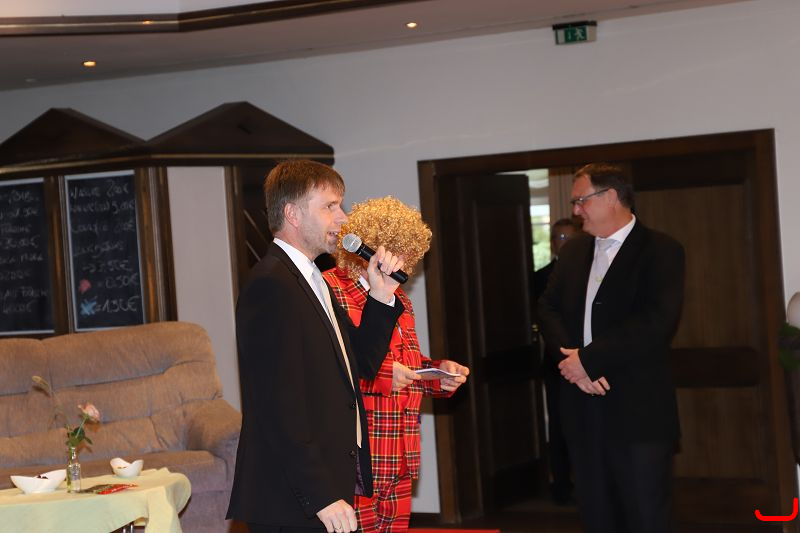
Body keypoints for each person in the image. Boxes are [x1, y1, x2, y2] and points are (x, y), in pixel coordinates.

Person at [227, 160, 406, 533]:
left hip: (319, 485)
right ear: (292, 214)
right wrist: (320, 494)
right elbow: (278, 404)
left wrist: (381, 295)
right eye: (330, 206)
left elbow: (360, 363)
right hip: (292, 497)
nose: (343, 218)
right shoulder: (271, 284)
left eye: (340, 205)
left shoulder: (312, 279)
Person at [538, 163, 685, 533]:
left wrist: (588, 360)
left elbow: (655, 321)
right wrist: (571, 362)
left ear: (612, 197)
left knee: (646, 517)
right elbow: (547, 308)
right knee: (597, 516)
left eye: (582, 201)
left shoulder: (661, 250)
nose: (576, 211)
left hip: (638, 414)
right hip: (582, 412)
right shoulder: (574, 252)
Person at [322, 196, 469, 533]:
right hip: (360, 458)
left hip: (401, 454)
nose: (406, 264)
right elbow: (329, 372)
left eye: (409, 255)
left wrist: (439, 375)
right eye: (398, 253)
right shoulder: (330, 291)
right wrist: (388, 375)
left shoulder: (398, 298)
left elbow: (407, 364)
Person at [533, 217, 581, 505]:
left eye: (569, 238)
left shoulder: (590, 271)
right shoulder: (541, 276)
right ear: (552, 244)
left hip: (590, 361)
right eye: (559, 239)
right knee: (560, 423)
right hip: (555, 362)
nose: (564, 244)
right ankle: (561, 485)